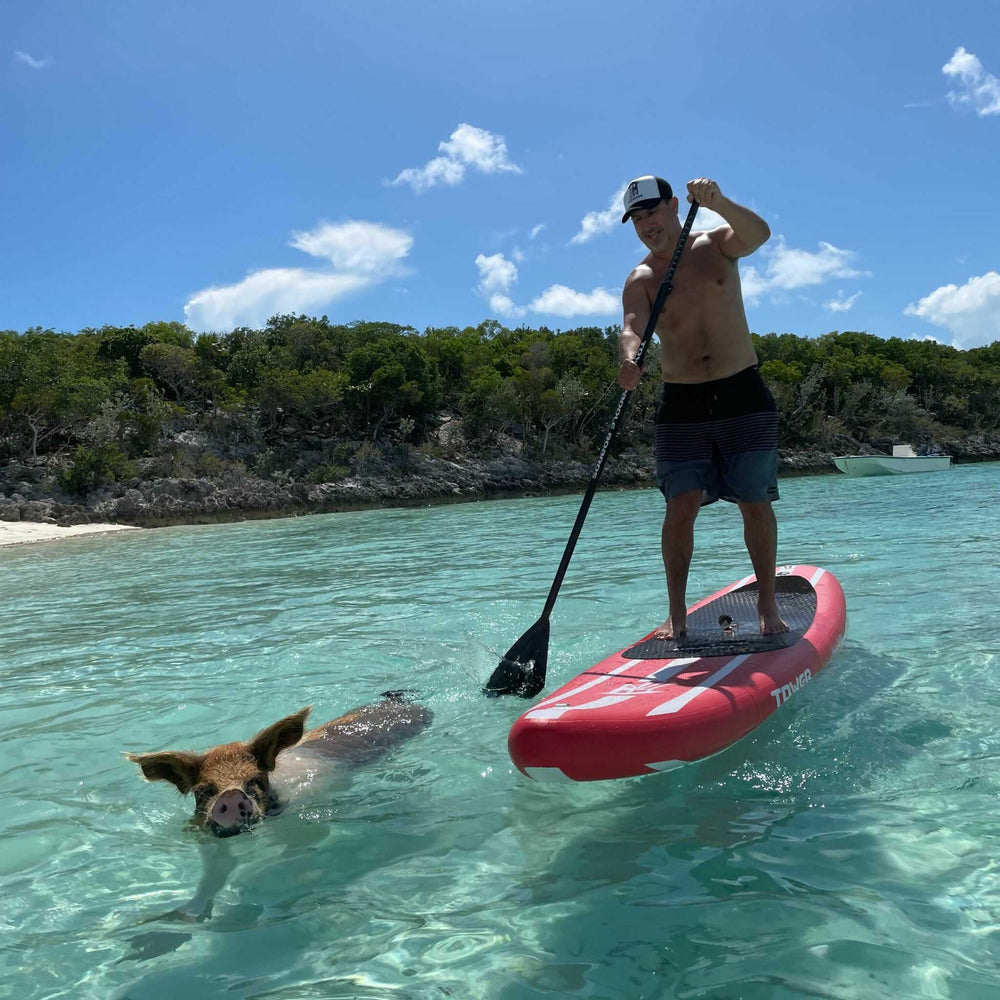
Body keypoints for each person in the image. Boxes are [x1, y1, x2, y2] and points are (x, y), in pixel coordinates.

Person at [617, 175, 787, 638]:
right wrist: (628, 357)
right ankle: (677, 616)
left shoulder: (716, 244)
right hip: (682, 400)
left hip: (742, 392)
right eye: (636, 218)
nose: (646, 224)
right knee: (680, 505)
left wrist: (718, 202)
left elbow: (759, 234)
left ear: (674, 205)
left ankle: (769, 608)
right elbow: (631, 326)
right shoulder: (642, 277)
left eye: (651, 211)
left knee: (754, 500)